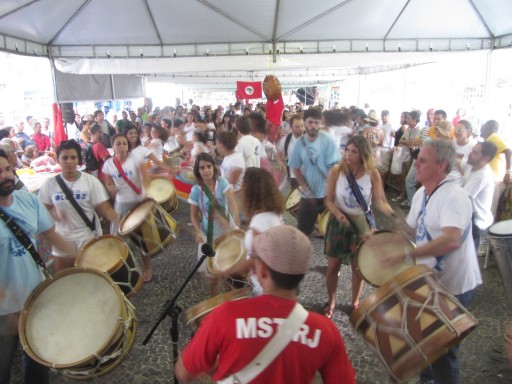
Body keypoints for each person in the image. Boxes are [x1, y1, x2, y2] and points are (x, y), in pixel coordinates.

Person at [175, 225, 356, 384]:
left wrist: (214, 367)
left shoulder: (224, 316)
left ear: (261, 271)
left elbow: (184, 373)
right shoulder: (326, 331)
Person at [381, 139, 482, 384]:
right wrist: (389, 215)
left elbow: (451, 240)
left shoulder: (454, 196)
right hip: (430, 281)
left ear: (442, 165)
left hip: (454, 285)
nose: (416, 163)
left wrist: (406, 256)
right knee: (428, 344)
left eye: (423, 160)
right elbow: (414, 230)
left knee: (444, 351)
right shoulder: (421, 194)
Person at [0, 148, 76, 384]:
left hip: (36, 297)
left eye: (7, 169)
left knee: (37, 363)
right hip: (4, 313)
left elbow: (51, 235)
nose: (6, 175)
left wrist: (82, 256)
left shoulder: (28, 200)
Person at [323, 135, 395, 317]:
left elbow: (380, 201)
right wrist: (338, 214)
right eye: (347, 150)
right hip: (339, 223)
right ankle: (331, 301)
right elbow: (328, 200)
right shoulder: (336, 171)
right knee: (333, 266)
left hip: (361, 223)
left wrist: (394, 215)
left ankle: (355, 302)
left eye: (354, 151)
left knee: (358, 267)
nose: (348, 154)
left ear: (363, 154)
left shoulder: (373, 174)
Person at [38, 140, 119, 271]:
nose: (69, 161)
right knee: (65, 282)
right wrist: (54, 214)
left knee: (92, 279)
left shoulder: (90, 181)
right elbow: (43, 208)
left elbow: (105, 209)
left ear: (78, 160)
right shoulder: (50, 184)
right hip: (62, 241)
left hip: (87, 238)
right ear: (58, 159)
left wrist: (122, 222)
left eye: (73, 157)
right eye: (65, 158)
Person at [221, 167, 285, 295]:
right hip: (275, 282)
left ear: (250, 192)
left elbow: (258, 259)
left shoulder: (260, 221)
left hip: (265, 288)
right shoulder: (274, 215)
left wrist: (227, 271)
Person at [102, 134, 153, 282]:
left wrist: (147, 196)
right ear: (113, 147)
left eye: (124, 143)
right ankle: (118, 268)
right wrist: (112, 190)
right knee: (116, 237)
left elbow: (145, 178)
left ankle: (147, 268)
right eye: (118, 143)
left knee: (142, 237)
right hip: (121, 203)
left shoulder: (136, 159)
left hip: (138, 200)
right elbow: (108, 182)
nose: (122, 146)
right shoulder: (108, 164)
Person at [188, 153, 239, 293]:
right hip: (208, 235)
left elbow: (233, 204)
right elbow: (193, 216)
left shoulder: (222, 182)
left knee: (231, 273)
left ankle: (230, 300)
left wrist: (233, 224)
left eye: (208, 166)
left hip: (227, 233)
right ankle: (215, 300)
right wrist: (198, 231)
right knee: (211, 276)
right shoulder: (196, 191)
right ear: (197, 171)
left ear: (213, 167)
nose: (206, 170)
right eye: (202, 168)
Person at [288, 108, 340, 236]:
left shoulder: (327, 140)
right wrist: (306, 189)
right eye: (310, 122)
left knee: (332, 235)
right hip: (308, 197)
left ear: (320, 123)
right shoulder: (299, 144)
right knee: (302, 234)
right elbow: (295, 168)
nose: (313, 126)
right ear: (305, 122)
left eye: (316, 123)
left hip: (328, 196)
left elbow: (335, 167)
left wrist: (333, 190)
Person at [463, 141, 497, 253]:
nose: (470, 154)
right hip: (470, 217)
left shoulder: (483, 175)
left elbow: (464, 197)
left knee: (468, 258)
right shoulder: (472, 165)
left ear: (486, 157)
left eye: (474, 152)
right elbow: (458, 163)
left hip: (477, 222)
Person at [276, 115, 305, 190]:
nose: (301, 129)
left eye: (302, 126)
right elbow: (278, 154)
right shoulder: (286, 140)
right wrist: (281, 163)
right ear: (291, 128)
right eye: (297, 127)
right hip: (294, 176)